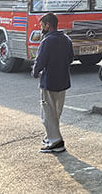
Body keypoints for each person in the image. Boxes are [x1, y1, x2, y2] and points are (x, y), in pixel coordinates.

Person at [31, 12, 74, 154]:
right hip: (63, 81)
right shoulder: (66, 39)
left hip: (49, 82)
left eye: (42, 24)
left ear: (48, 25)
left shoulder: (47, 41)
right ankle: (50, 137)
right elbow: (70, 59)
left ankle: (56, 142)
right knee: (56, 112)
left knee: (48, 113)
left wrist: (35, 72)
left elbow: (40, 61)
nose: (41, 27)